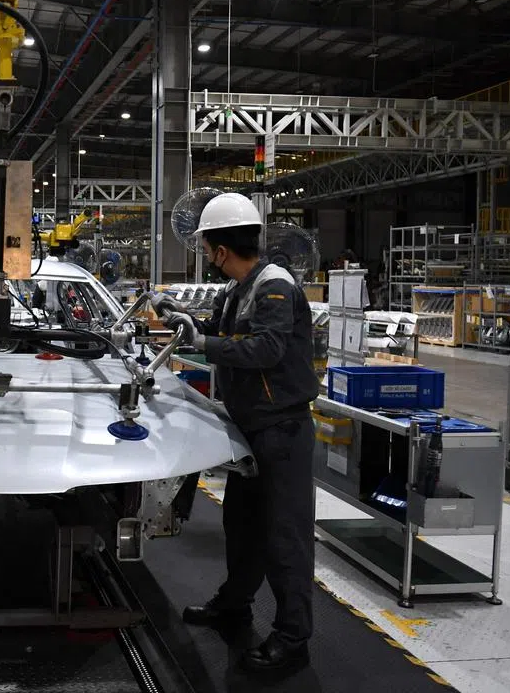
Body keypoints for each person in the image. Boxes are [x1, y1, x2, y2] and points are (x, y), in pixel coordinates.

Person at [156, 192, 320, 675]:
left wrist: (203, 342)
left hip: (282, 429)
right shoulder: (238, 289)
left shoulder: (275, 287)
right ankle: (235, 605)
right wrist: (187, 323)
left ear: (220, 249)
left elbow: (265, 349)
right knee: (243, 525)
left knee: (284, 536)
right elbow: (221, 330)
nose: (207, 257)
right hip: (250, 428)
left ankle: (294, 639)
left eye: (206, 247)